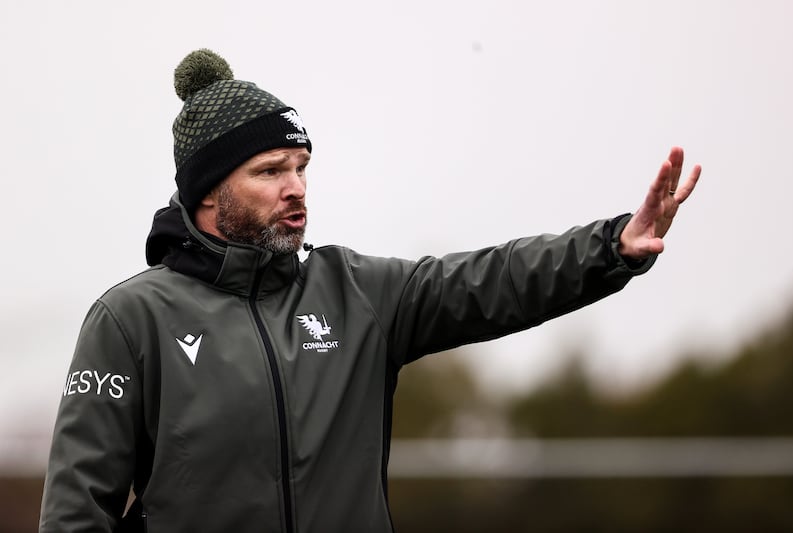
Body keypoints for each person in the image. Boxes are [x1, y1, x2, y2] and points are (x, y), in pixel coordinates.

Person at [39, 49, 701, 533]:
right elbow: (75, 510)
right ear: (209, 192)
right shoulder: (129, 319)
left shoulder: (357, 292)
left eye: (300, 167)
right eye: (270, 170)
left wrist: (612, 245)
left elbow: (494, 278)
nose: (295, 186)